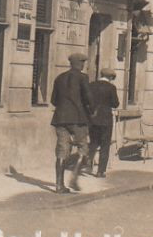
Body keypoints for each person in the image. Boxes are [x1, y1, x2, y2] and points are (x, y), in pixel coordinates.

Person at [50, 51, 94, 194]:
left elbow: (53, 100)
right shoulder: (83, 77)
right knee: (83, 148)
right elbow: (88, 98)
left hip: (60, 119)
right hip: (78, 118)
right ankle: (74, 177)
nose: (83, 65)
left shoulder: (59, 78)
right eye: (82, 62)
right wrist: (92, 110)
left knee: (62, 151)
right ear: (79, 63)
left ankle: (59, 185)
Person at [86, 67, 121, 178]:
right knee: (105, 145)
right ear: (110, 77)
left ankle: (88, 165)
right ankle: (100, 171)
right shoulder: (111, 87)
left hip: (93, 119)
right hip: (106, 119)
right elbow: (115, 104)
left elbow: (87, 101)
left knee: (93, 142)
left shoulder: (91, 85)